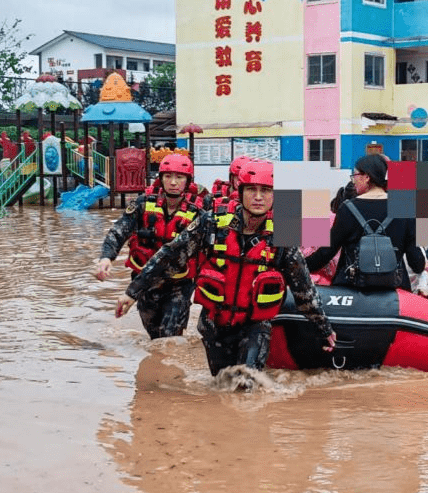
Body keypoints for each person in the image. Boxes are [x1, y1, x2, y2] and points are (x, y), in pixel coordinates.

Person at [118, 160, 336, 381]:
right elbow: (171, 255)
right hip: (215, 324)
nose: (258, 197)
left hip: (254, 325)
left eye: (266, 191)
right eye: (251, 190)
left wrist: (324, 328)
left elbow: (304, 288)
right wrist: (132, 292)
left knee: (247, 384)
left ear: (275, 196)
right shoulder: (212, 223)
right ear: (240, 193)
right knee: (221, 384)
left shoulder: (283, 235)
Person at [95, 153, 211, 338]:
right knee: (154, 337)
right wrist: (106, 257)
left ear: (188, 181)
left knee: (170, 337)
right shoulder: (143, 204)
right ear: (161, 179)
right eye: (168, 176)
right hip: (144, 282)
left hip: (178, 284)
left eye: (179, 177)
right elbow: (119, 230)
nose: (173, 182)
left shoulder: (200, 212)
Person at [304, 154, 426, 291]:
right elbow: (416, 263)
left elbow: (326, 253)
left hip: (353, 291)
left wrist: (297, 266)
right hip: (395, 293)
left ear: (367, 177)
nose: (353, 181)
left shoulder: (347, 209)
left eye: (355, 176)